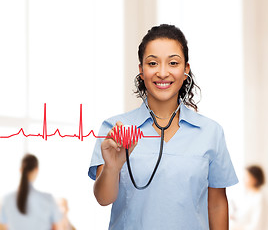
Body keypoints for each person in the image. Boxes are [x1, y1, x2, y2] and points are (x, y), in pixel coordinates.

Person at [88, 24, 239, 229]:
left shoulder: (211, 132)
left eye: (173, 63)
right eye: (152, 63)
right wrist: (113, 168)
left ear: (186, 69)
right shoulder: (115, 129)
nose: (162, 72)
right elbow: (103, 199)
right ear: (141, 70)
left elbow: (217, 204)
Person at [0, 154, 62, 230]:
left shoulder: (6, 199)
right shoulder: (47, 199)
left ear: (20, 170)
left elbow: (2, 227)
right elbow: (56, 227)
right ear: (36, 170)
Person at [230, 165, 266, 230]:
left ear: (255, 179)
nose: (243, 179)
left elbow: (257, 226)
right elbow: (244, 216)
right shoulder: (248, 196)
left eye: (246, 177)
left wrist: (237, 228)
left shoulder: (259, 199)